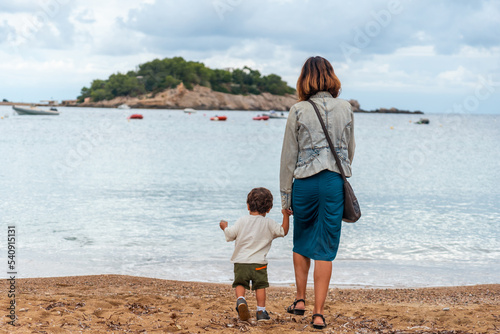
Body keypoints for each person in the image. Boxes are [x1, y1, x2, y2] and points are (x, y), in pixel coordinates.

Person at [280, 56, 355, 329]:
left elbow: (289, 157)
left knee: (302, 240)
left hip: (305, 183)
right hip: (333, 181)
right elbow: (350, 151)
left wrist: (285, 197)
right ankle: (319, 313)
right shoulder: (346, 108)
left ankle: (299, 300)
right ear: (331, 77)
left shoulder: (298, 109)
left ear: (304, 78)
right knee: (325, 248)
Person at [220, 187, 290, 321]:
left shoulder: (242, 221)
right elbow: (283, 231)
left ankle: (241, 300)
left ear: (248, 206)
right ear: (269, 209)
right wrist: (285, 215)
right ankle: (261, 312)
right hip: (259, 264)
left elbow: (230, 235)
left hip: (241, 262)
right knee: (260, 286)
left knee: (240, 283)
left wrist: (224, 227)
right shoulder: (269, 223)